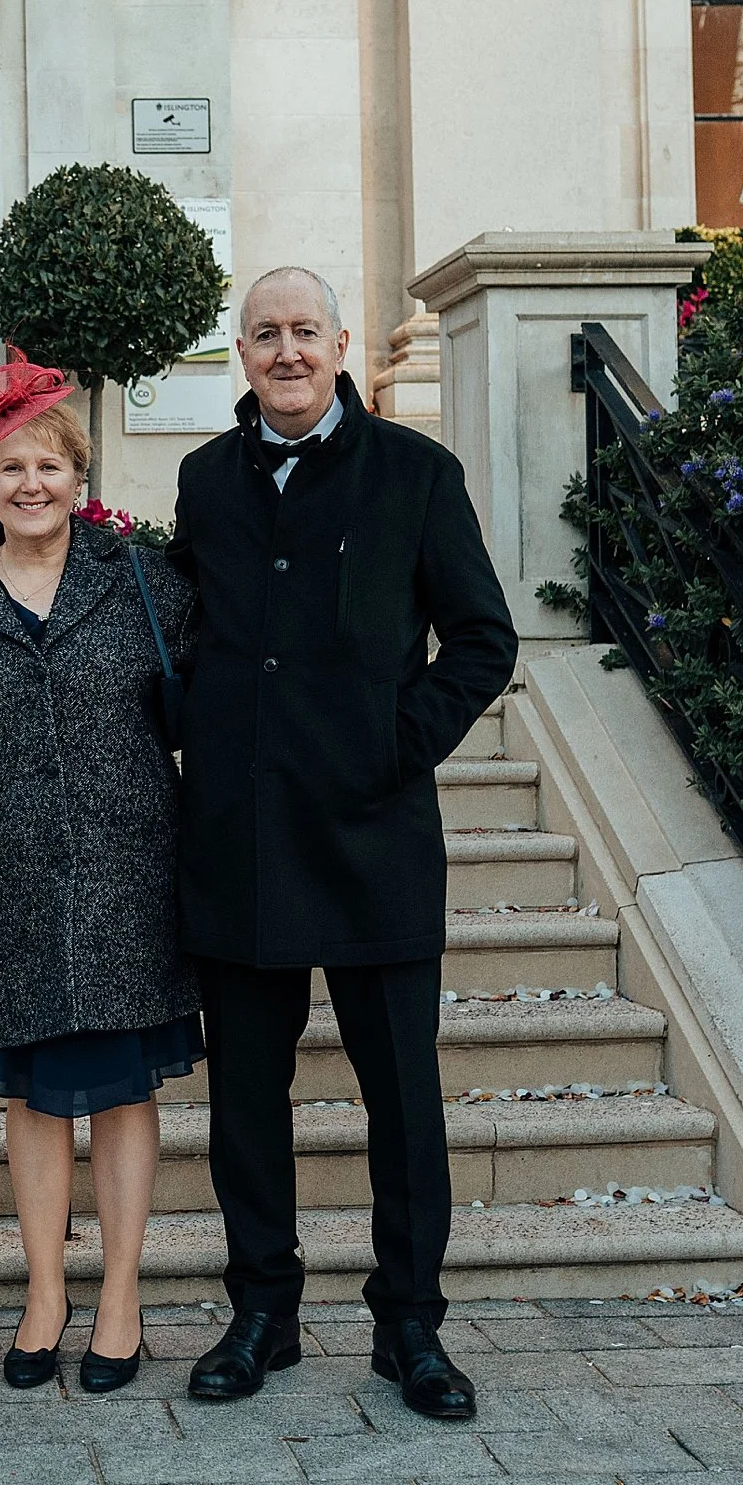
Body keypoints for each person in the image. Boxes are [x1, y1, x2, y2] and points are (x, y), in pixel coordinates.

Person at [170, 267, 516, 1420]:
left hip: (372, 838)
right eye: (264, 333)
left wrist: (391, 740)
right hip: (241, 838)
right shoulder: (204, 478)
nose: (284, 351)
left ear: (339, 343)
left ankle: (409, 1327)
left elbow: (480, 638)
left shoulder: (415, 472)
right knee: (246, 1103)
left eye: (302, 332)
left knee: (404, 1104)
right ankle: (262, 1313)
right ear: (240, 349)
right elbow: (190, 636)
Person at [0, 357, 201, 1394]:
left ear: (79, 477)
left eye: (47, 464)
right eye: (6, 468)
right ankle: (44, 1291)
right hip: (7, 880)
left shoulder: (143, 580)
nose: (28, 483)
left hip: (131, 869)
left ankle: (118, 1295)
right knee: (33, 1098)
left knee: (123, 1095)